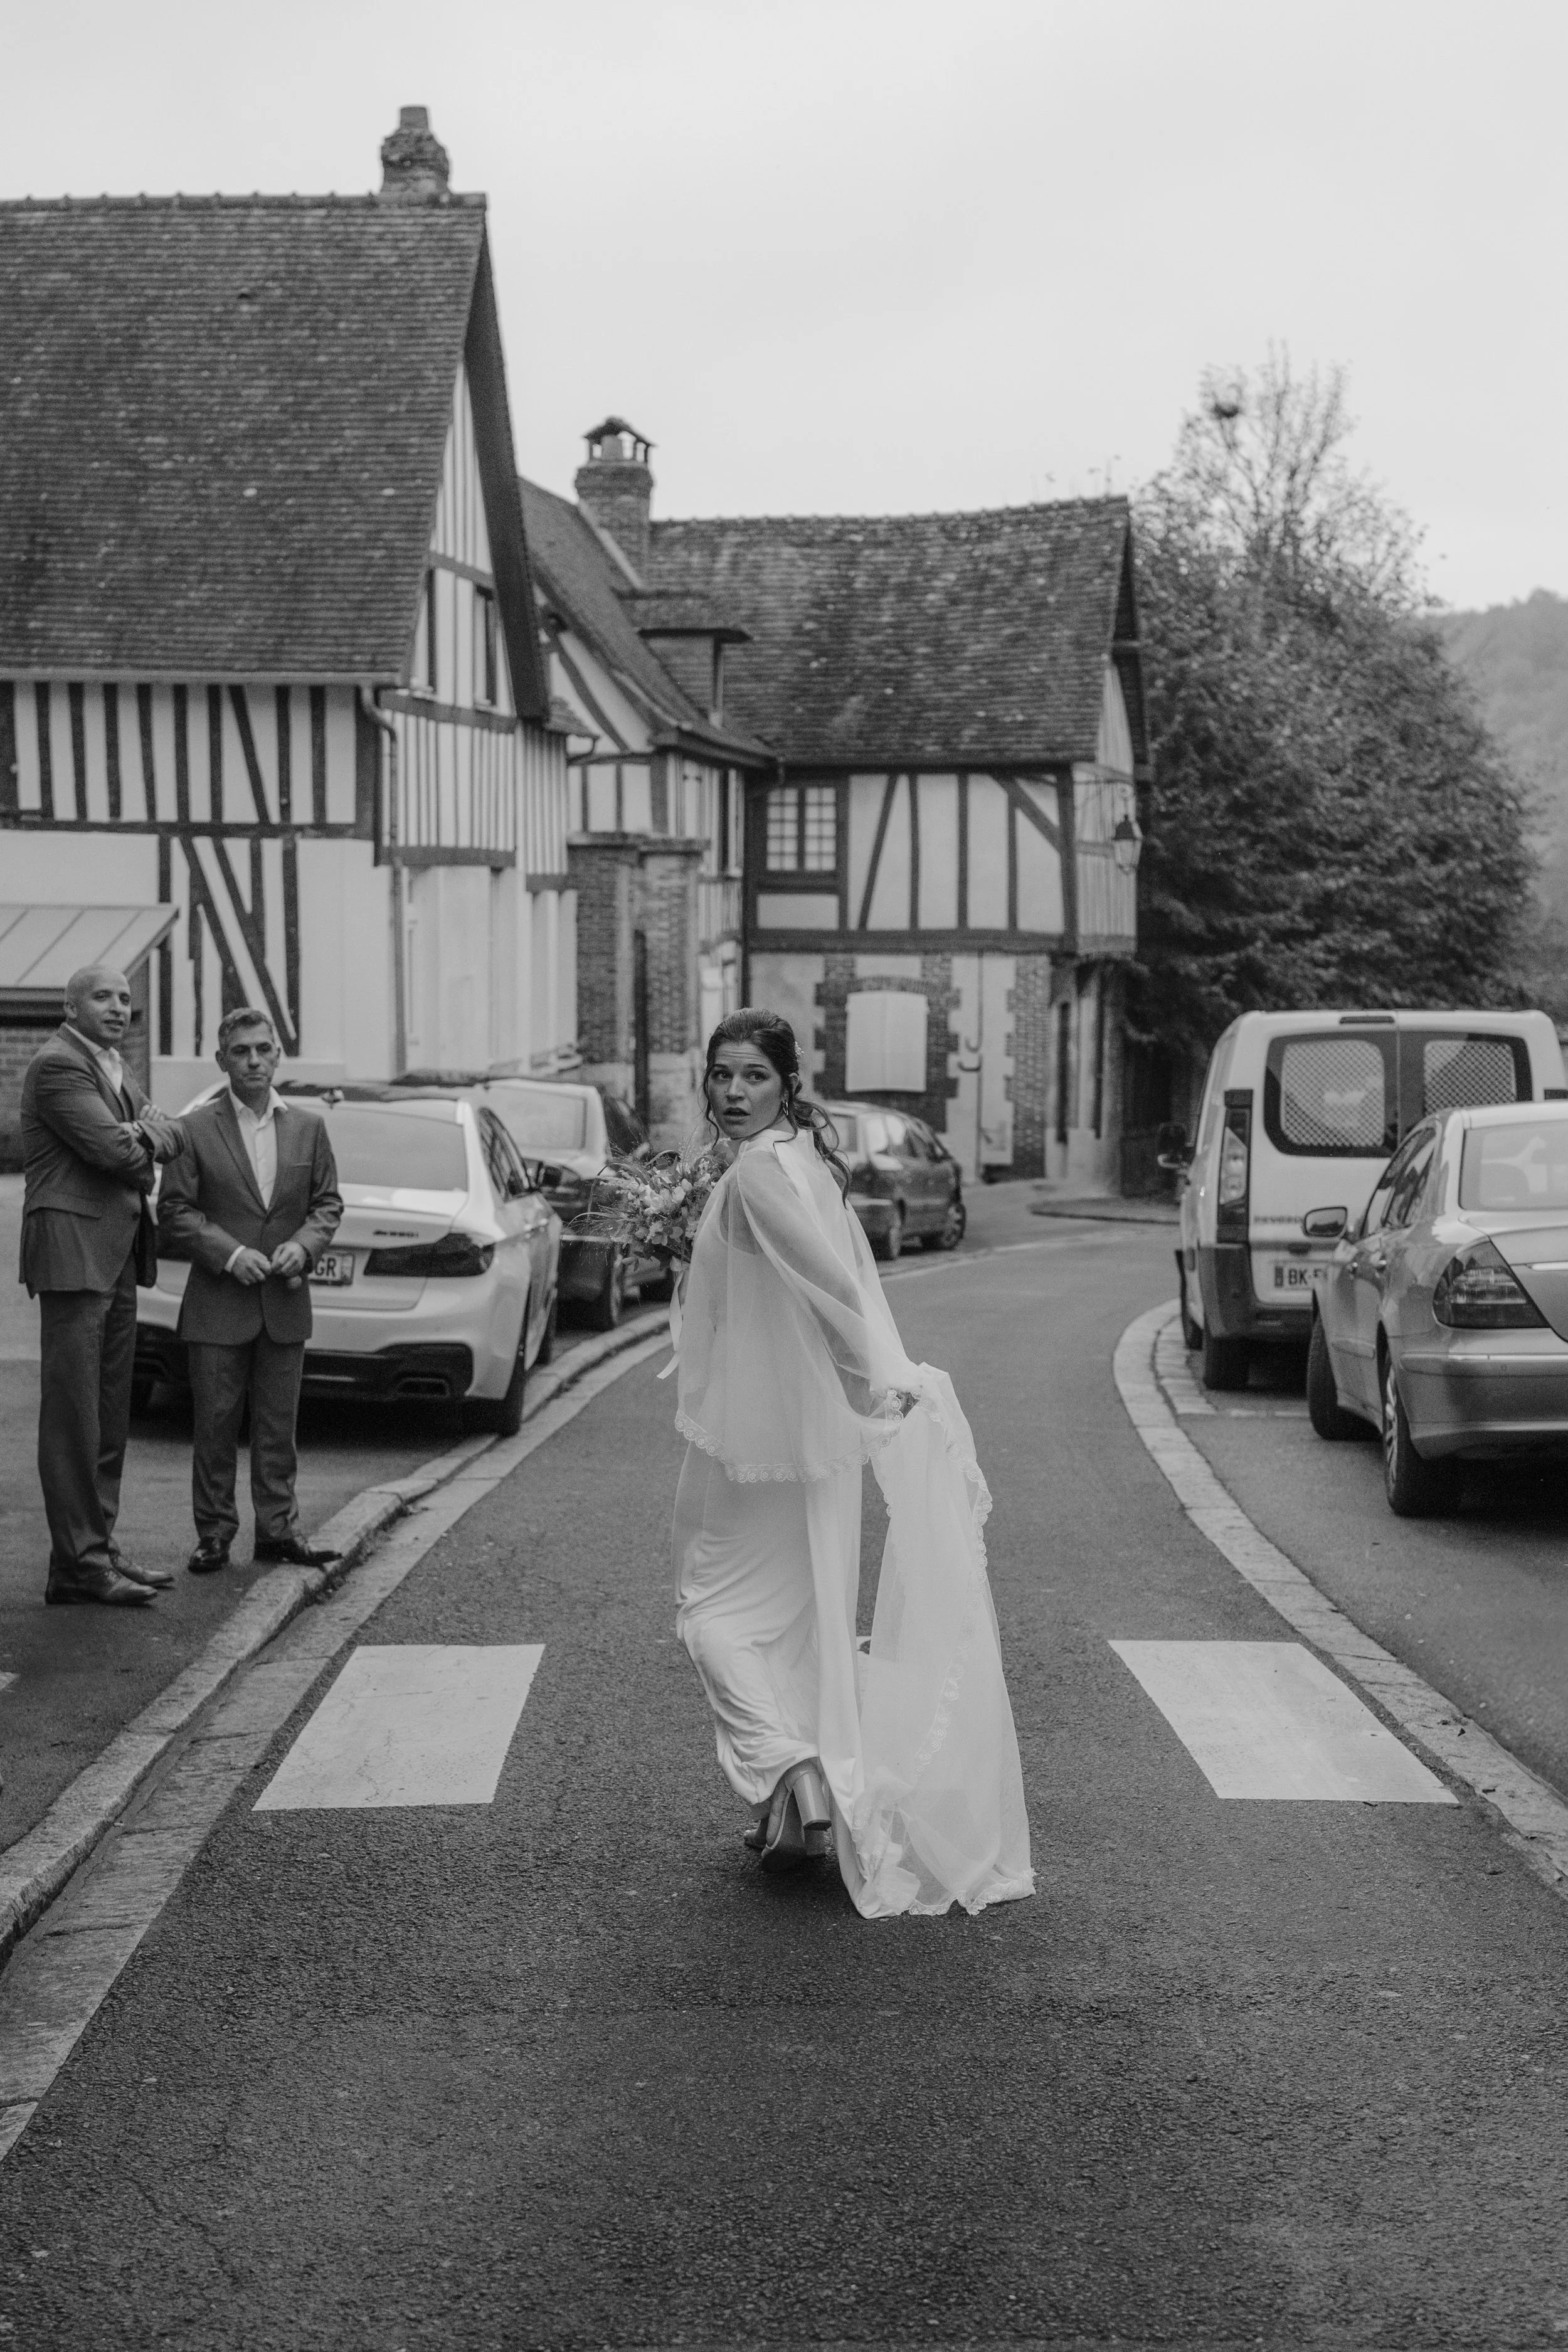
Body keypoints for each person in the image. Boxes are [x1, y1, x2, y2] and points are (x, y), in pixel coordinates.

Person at [672, 1008, 1034, 1919]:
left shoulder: (759, 1171)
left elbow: (830, 1287)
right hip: (811, 1444)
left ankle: (793, 1767)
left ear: (786, 1083)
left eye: (753, 1075)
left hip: (760, 1450)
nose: (734, 1091)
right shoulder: (797, 1160)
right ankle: (797, 1814)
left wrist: (875, 1382)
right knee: (805, 1626)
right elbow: (798, 1283)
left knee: (710, 1613)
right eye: (722, 1075)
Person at [20, 964, 186, 1606]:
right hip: (73, 1249)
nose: (119, 1007)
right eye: (103, 996)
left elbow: (164, 1131)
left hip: (115, 1251)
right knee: (73, 1413)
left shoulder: (115, 1066)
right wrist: (143, 1135)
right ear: (70, 1005)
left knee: (109, 1407)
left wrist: (143, 1131)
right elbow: (117, 1155)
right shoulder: (60, 1065)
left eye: (125, 998)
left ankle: (96, 1550)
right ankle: (79, 1563)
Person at [157, 1009, 344, 1576]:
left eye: (263, 1049)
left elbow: (327, 1204)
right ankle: (213, 1535)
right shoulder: (195, 1129)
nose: (254, 1060)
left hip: (285, 1301)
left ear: (278, 1056)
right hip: (218, 1301)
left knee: (277, 1426)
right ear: (222, 1060)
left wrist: (305, 1246)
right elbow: (174, 1211)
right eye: (241, 1052)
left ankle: (278, 1530)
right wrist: (230, 1254)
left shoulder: (308, 1128)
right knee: (214, 1424)